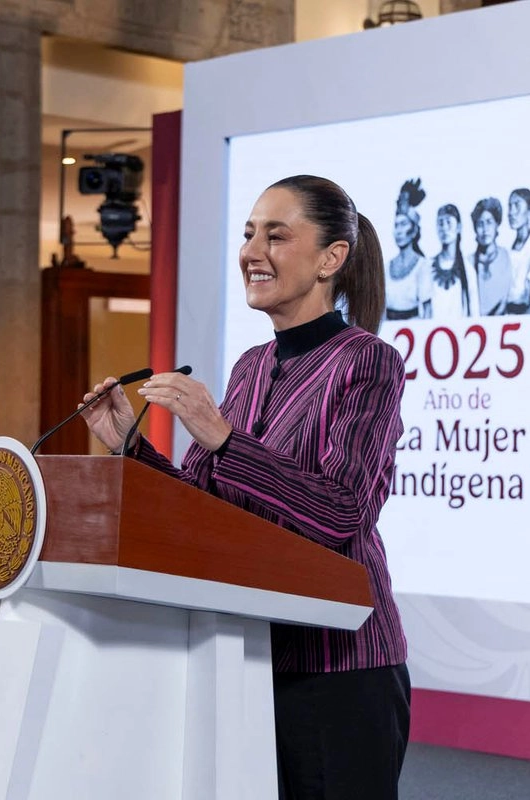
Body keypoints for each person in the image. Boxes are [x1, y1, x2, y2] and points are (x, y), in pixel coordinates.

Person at [79, 175, 410, 800]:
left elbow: (344, 510)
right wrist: (130, 445)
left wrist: (225, 440)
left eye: (277, 235)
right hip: (249, 656)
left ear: (331, 259)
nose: (252, 250)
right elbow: (208, 511)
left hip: (339, 664)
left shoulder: (367, 361)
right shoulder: (251, 367)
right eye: (249, 233)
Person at [418, 203, 470, 318]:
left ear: (459, 227)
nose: (444, 228)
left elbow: (473, 310)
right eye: (441, 223)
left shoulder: (468, 268)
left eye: (449, 223)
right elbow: (424, 311)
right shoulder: (427, 266)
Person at [384, 178, 426, 321]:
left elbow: (427, 314)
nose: (399, 231)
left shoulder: (422, 265)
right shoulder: (386, 267)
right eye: (396, 225)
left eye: (403, 224)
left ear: (414, 230)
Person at [470, 197, 512, 315]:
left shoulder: (507, 257)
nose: (485, 230)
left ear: (496, 225)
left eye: (489, 222)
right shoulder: (468, 262)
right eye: (480, 224)